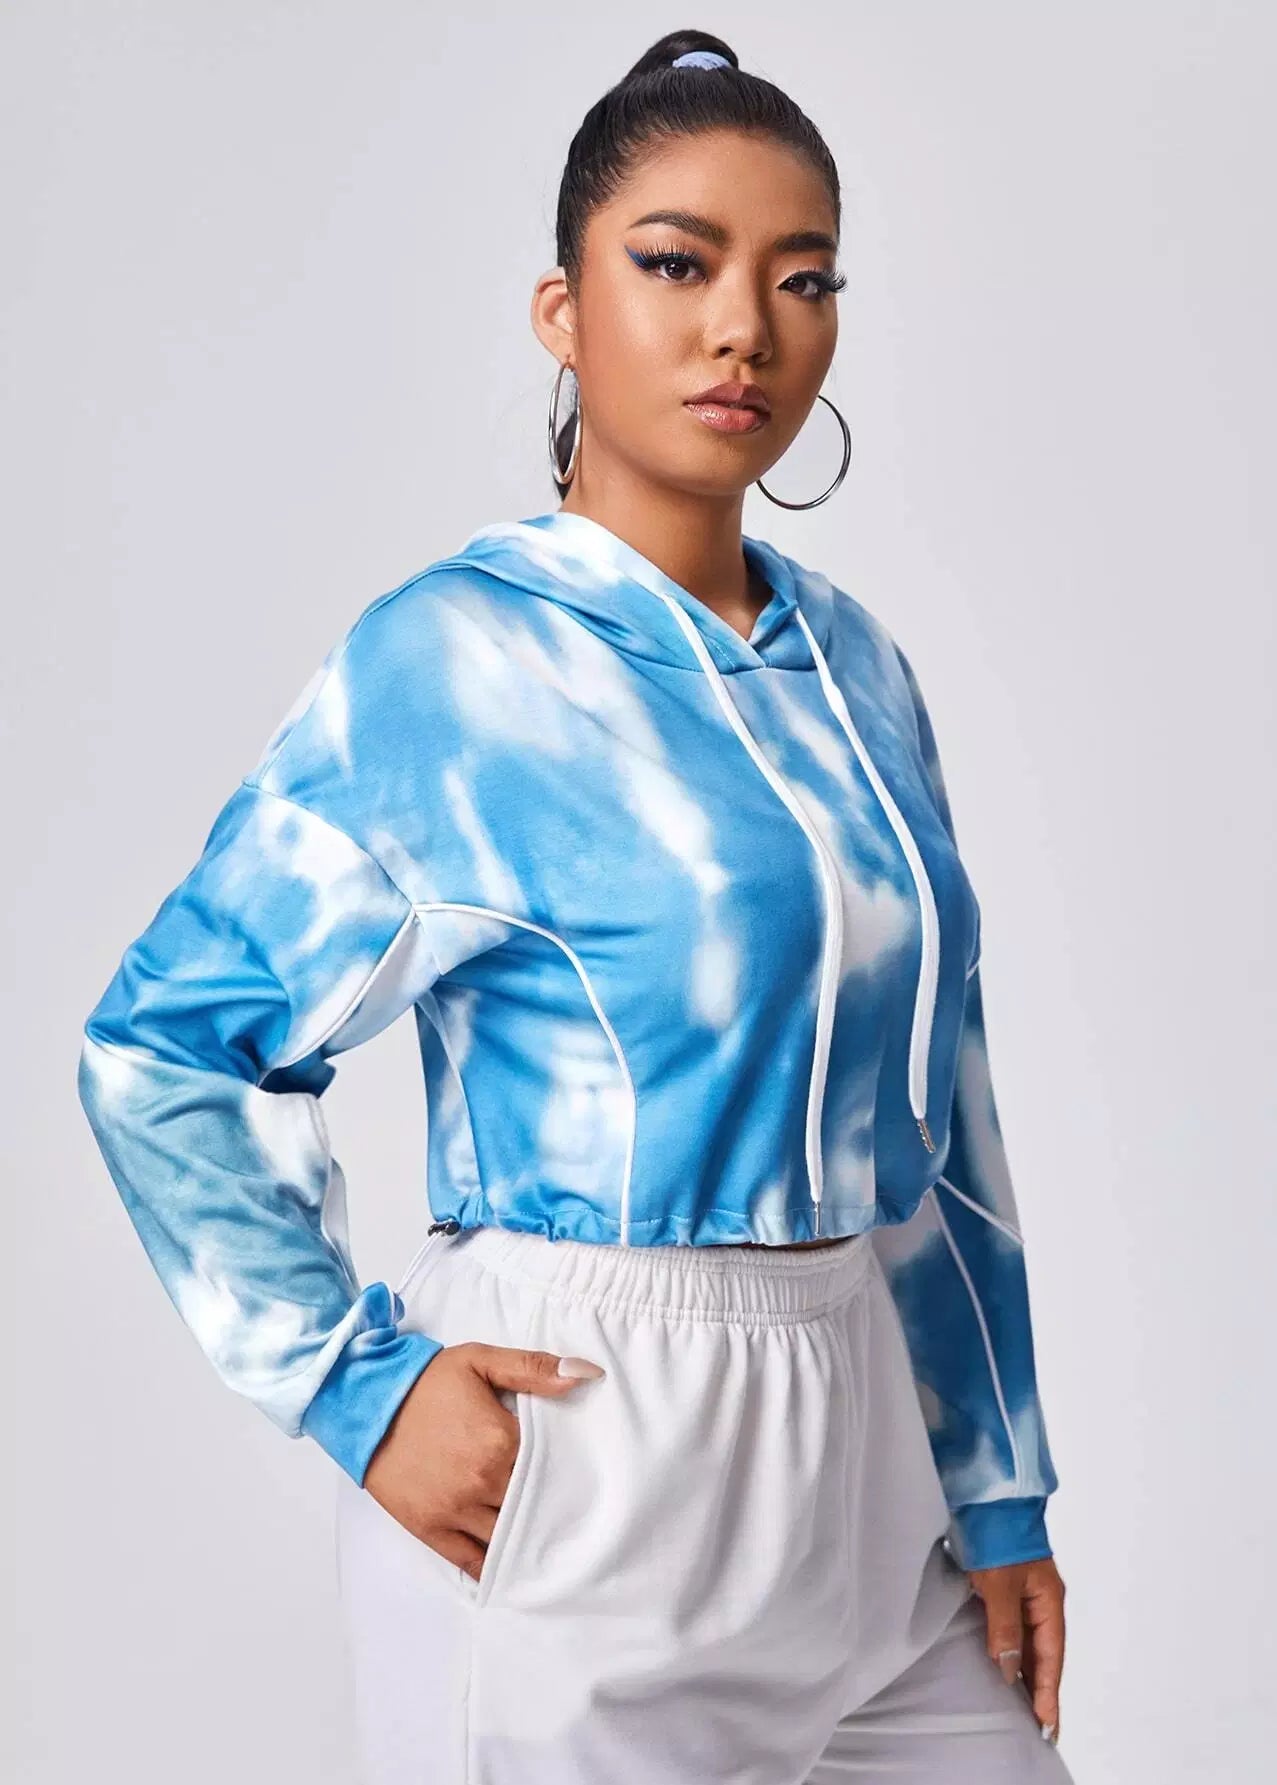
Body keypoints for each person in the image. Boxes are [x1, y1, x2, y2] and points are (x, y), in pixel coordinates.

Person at [76, 28, 1073, 1785]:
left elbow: (941, 1113)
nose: (743, 327)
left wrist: (999, 1484)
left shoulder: (860, 672)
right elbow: (164, 1049)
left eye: (802, 279)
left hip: (872, 1462)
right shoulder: (456, 665)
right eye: (677, 264)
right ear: (564, 310)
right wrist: (357, 1388)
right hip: (591, 1458)